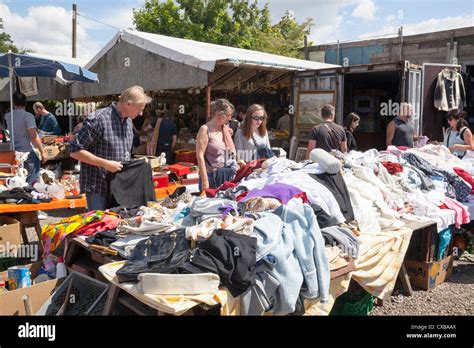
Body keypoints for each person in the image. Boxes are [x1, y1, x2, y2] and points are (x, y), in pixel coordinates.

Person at [70, 86, 152, 211]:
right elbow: (74, 151)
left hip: (120, 187)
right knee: (100, 226)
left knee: (119, 226)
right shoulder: (98, 119)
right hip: (98, 186)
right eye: (140, 109)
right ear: (129, 104)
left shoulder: (128, 122)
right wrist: (105, 164)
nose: (141, 114)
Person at [5, 92, 47, 185]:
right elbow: (33, 136)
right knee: (32, 175)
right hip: (25, 152)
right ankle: (32, 189)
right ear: (25, 103)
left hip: (12, 151)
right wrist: (42, 151)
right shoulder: (28, 116)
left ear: (13, 103)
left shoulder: (8, 116)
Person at [196, 99, 238, 190]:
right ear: (219, 114)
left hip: (225, 175)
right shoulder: (205, 129)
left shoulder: (225, 129)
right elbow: (200, 156)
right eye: (228, 115)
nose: (230, 118)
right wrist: (205, 180)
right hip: (211, 177)